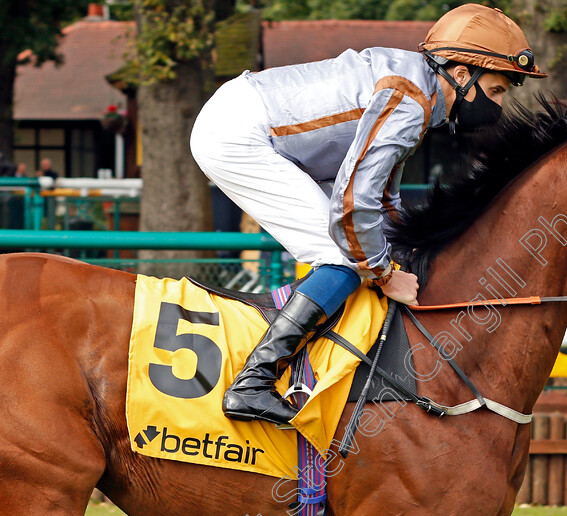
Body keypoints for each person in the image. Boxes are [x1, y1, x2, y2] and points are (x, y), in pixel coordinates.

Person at [190, 4, 547, 426]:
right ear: (463, 74)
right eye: (499, 89)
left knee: (355, 251)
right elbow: (355, 203)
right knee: (344, 256)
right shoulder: (410, 100)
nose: (500, 104)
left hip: (247, 119)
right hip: (238, 132)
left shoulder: (418, 93)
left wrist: (411, 254)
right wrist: (384, 272)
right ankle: (253, 383)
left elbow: (382, 201)